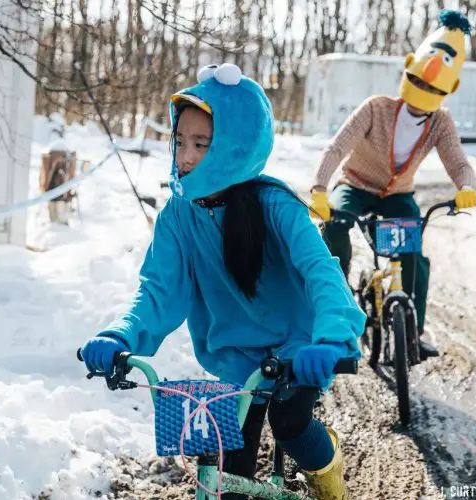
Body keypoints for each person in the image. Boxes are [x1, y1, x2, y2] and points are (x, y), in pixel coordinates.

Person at [79, 63, 366, 499]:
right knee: (225, 469)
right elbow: (158, 290)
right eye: (180, 141)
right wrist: (120, 334)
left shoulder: (276, 205)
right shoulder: (177, 215)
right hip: (236, 360)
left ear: (235, 147)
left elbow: (321, 271)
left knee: (289, 423)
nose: (186, 155)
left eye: (202, 144)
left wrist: (328, 339)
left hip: (298, 349)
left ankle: (330, 479)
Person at [308, 10, 476, 360]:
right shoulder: (376, 109)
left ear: (450, 88)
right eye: (423, 81)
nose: (427, 89)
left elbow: (458, 162)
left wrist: (466, 185)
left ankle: (413, 334)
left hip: (397, 195)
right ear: (409, 68)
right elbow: (337, 147)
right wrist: (320, 189)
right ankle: (334, 311)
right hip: (355, 184)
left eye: (435, 87)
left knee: (413, 253)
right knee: (335, 227)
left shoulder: (441, 123)